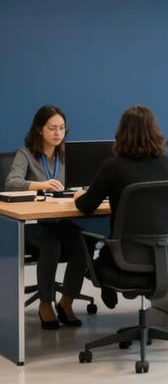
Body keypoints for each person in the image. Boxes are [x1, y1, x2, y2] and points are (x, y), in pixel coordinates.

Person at [74, 105, 168, 308]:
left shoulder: (113, 166)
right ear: (155, 131)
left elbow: (87, 206)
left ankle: (108, 285)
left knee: (97, 252)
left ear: (121, 134)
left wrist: (80, 195)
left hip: (125, 261)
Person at [5, 105, 89, 329]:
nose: (58, 133)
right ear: (39, 130)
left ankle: (67, 301)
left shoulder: (67, 154)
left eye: (62, 128)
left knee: (84, 241)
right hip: (32, 224)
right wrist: (40, 185)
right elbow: (11, 183)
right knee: (51, 245)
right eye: (52, 128)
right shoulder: (26, 154)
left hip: (61, 219)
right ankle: (44, 304)